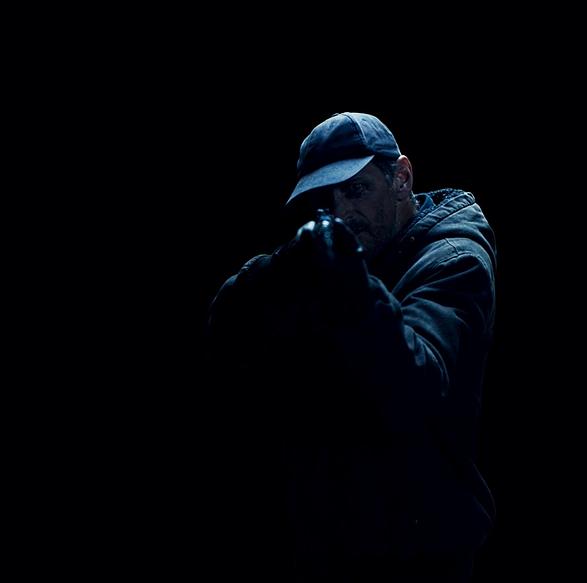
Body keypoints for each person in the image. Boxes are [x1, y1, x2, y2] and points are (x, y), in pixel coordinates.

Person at [204, 112, 497, 582]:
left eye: (356, 190)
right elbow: (224, 330)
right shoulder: (348, 251)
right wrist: (284, 267)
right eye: (325, 200)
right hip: (331, 542)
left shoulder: (455, 260)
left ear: (401, 178)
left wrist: (352, 287)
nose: (341, 213)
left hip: (420, 555)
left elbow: (419, 384)